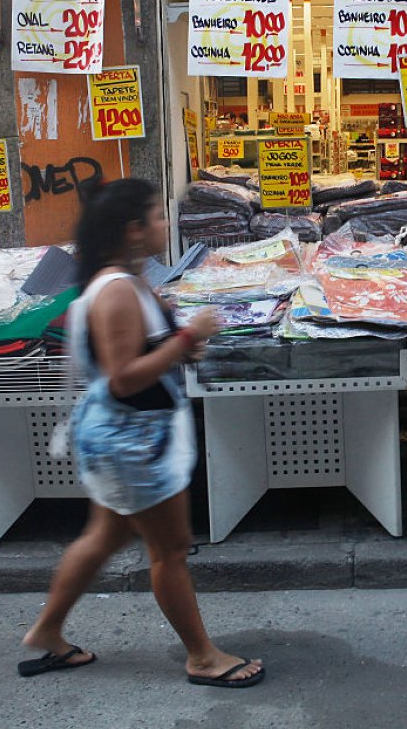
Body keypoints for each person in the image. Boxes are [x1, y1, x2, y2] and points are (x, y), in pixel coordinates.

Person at [18, 179, 266, 689]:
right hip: (131, 444)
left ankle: (47, 631)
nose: (164, 224)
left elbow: (142, 357)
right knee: (170, 551)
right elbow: (124, 376)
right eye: (156, 216)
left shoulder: (128, 284)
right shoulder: (116, 293)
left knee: (104, 536)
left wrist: (180, 345)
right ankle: (201, 656)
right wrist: (186, 338)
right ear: (132, 231)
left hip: (128, 439)